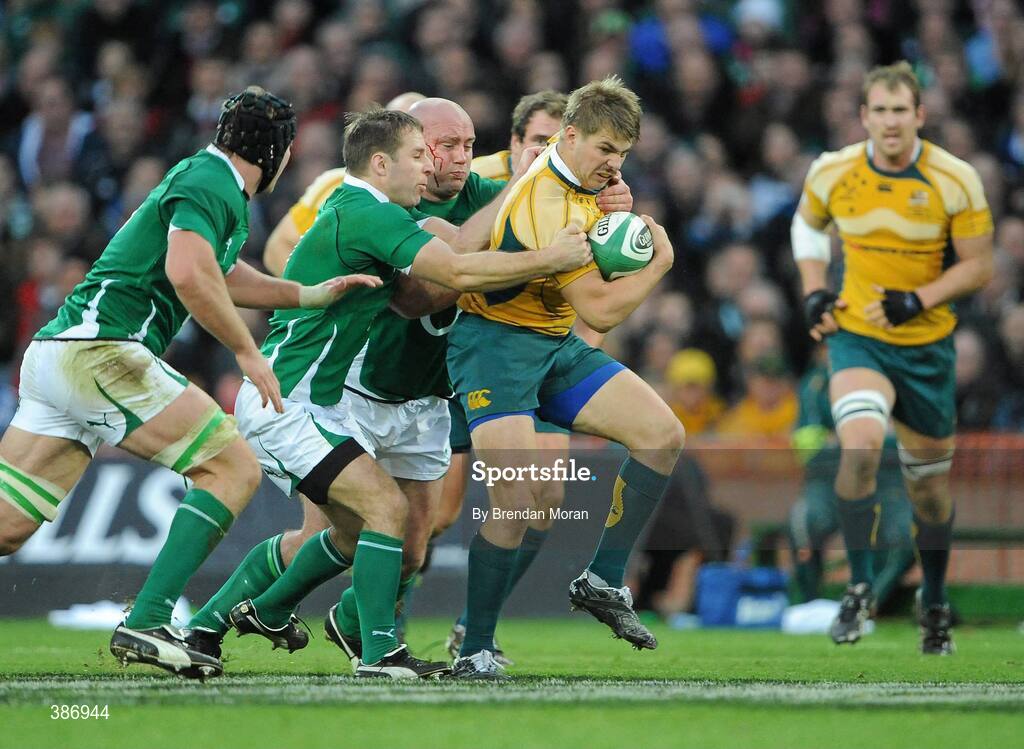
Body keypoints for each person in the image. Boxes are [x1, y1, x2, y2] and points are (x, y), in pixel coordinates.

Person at [190, 94, 631, 670]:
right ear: (410, 151)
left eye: (467, 146)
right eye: (442, 147)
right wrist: (532, 236)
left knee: (412, 548)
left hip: (426, 396)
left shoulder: (497, 194)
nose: (454, 158)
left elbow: (564, 226)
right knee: (354, 526)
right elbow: (420, 292)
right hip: (354, 389)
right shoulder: (392, 205)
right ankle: (234, 620)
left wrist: (610, 209)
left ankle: (337, 621)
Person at [0, 87, 372, 678]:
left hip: (59, 352)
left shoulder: (206, 180)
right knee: (231, 467)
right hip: (104, 350)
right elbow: (188, 274)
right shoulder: (213, 182)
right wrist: (247, 351)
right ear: (278, 151)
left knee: (9, 524)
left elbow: (221, 274)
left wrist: (305, 295)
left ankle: (149, 619)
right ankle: (148, 620)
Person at [446, 76, 684, 678]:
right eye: (605, 150)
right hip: (494, 349)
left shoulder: (581, 184)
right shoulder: (548, 200)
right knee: (516, 498)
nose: (614, 164)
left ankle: (602, 579)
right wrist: (658, 264)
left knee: (662, 435)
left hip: (551, 345)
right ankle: (474, 647)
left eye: (624, 155)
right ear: (570, 136)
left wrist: (614, 225)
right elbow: (600, 310)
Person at [794, 61, 994, 654]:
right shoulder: (833, 171)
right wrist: (813, 290)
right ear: (863, 116)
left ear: (919, 115)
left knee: (928, 490)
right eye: (878, 110)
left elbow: (981, 264)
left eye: (900, 110)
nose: (889, 121)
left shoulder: (954, 178)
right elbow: (806, 229)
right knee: (857, 442)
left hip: (928, 348)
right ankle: (858, 588)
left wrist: (920, 299)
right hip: (858, 336)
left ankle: (932, 599)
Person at [788, 347, 915, 614]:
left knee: (907, 533)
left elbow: (911, 441)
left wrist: (842, 438)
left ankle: (865, 606)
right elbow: (808, 446)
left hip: (889, 481)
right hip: (828, 478)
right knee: (805, 522)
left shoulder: (898, 377)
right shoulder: (816, 383)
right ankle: (810, 606)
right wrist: (868, 439)